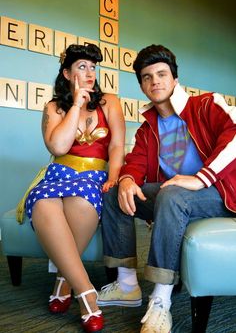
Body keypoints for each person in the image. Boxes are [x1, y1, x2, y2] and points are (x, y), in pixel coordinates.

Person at [97, 44, 236, 333]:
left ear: (174, 78)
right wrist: (126, 180)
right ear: (142, 86)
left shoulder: (206, 105)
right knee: (113, 193)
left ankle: (161, 300)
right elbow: (134, 163)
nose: (155, 81)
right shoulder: (148, 128)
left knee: (172, 194)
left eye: (162, 74)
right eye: (147, 77)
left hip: (219, 193)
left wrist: (201, 178)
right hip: (175, 196)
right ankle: (126, 285)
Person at [18, 44, 125, 332]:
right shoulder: (54, 107)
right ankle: (86, 293)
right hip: (59, 172)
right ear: (67, 73)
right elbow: (58, 146)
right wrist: (76, 104)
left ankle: (64, 280)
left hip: (94, 175)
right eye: (81, 67)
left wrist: (113, 176)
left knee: (81, 200)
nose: (90, 73)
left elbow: (116, 145)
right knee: (41, 202)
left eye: (92, 67)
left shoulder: (110, 103)